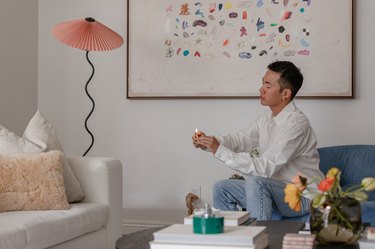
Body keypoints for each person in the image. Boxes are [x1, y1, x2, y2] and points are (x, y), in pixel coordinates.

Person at [192, 61, 324, 220]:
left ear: (285, 94)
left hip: (303, 196)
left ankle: (258, 239)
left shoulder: (296, 124)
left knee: (257, 182)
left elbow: (265, 168)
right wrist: (209, 142)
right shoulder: (267, 118)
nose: (261, 89)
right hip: (276, 192)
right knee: (222, 188)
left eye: (268, 86)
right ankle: (232, 240)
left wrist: (218, 150)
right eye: (263, 83)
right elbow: (240, 140)